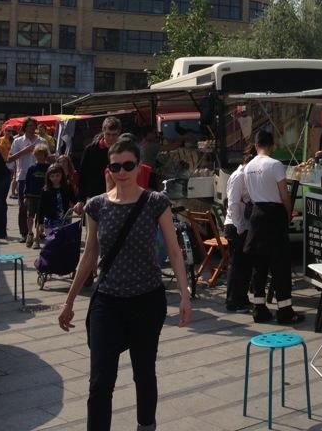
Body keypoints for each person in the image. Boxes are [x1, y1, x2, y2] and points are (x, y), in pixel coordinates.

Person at [58, 137, 191, 431]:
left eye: (128, 165)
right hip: (107, 301)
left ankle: (146, 426)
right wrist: (69, 301)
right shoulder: (97, 206)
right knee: (100, 381)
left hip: (147, 300)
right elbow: (90, 254)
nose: (122, 172)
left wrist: (184, 294)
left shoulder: (156, 202)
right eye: (115, 166)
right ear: (109, 168)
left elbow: (173, 249)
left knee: (144, 373)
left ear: (138, 166)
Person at [243, 130, 304, 325]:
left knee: (258, 264)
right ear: (272, 145)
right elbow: (284, 195)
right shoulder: (275, 165)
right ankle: (285, 310)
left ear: (256, 144)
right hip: (274, 214)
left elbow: (250, 195)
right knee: (280, 264)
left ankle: (259, 308)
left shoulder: (248, 167)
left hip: (256, 214)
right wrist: (287, 215)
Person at [223, 145, 256, 313]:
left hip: (244, 224)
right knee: (237, 265)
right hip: (235, 225)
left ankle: (241, 299)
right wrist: (240, 227)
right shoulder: (238, 176)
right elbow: (233, 204)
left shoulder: (249, 176)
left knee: (245, 264)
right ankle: (233, 301)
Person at [77, 117, 123, 210]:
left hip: (119, 197)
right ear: (103, 131)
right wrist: (81, 199)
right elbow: (83, 175)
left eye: (114, 135)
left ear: (119, 133)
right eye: (108, 134)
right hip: (95, 197)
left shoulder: (124, 150)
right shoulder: (90, 150)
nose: (111, 138)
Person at [8, 118, 41, 235]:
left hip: (39, 177)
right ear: (25, 127)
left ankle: (38, 232)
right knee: (23, 206)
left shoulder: (41, 141)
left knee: (40, 206)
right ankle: (24, 233)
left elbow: (48, 158)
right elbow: (9, 159)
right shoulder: (18, 141)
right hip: (23, 177)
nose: (32, 128)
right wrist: (24, 151)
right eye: (29, 126)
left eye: (33, 126)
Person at [37, 163, 74, 241]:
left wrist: (76, 205)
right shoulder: (46, 190)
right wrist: (40, 222)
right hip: (50, 220)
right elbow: (41, 207)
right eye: (52, 176)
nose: (55, 178)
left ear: (62, 175)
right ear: (48, 177)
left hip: (64, 219)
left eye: (57, 175)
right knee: (51, 242)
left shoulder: (67, 187)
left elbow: (74, 198)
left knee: (63, 241)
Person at [24, 145, 51, 248]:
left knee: (40, 218)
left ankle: (37, 237)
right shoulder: (32, 168)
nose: (39, 156)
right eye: (37, 154)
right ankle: (29, 233)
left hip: (43, 196)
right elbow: (27, 182)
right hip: (32, 195)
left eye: (41, 154)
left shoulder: (48, 168)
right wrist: (26, 195)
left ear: (45, 155)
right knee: (30, 215)